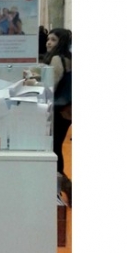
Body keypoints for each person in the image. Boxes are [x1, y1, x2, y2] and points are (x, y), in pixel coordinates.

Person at [43, 27, 72, 178]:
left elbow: (50, 85)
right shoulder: (69, 58)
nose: (48, 43)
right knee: (58, 144)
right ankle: (60, 179)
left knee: (53, 146)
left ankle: (57, 179)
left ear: (62, 42)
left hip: (57, 108)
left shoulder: (56, 59)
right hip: (67, 109)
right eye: (48, 39)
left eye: (53, 40)